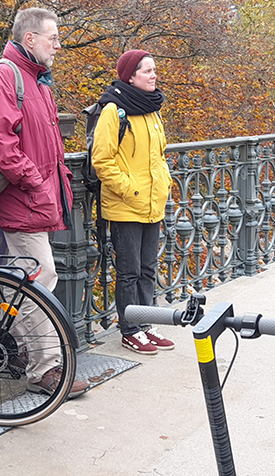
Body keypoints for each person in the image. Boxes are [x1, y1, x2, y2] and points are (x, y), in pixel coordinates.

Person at [0, 8, 88, 396]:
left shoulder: (37, 81)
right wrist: (34, 181)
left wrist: (55, 183)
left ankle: (22, 350)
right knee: (40, 279)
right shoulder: (5, 76)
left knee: (22, 280)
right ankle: (45, 370)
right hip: (21, 199)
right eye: (52, 37)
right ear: (30, 39)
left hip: (37, 198)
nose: (58, 45)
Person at [91, 50, 175, 355]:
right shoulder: (114, 110)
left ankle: (146, 322)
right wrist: (130, 189)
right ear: (130, 76)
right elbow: (102, 159)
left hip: (152, 203)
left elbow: (160, 155)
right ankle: (130, 330)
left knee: (148, 268)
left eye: (154, 70)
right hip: (127, 204)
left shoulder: (152, 109)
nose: (153, 75)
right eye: (147, 71)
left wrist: (163, 185)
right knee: (128, 271)